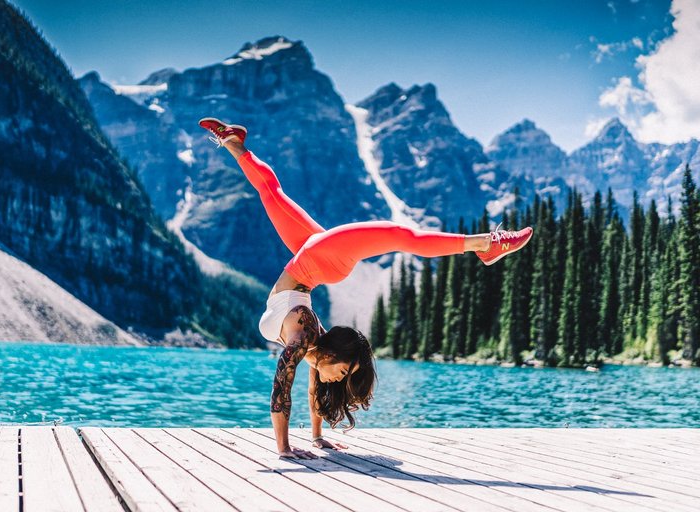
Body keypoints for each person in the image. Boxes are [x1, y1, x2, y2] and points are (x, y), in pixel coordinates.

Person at [198, 118, 533, 459]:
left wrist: (310, 440)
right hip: (319, 261)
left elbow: (289, 385)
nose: (336, 379)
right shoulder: (307, 335)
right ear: (331, 355)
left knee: (272, 193)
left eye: (343, 373)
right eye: (343, 371)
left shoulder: (310, 346)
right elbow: (284, 388)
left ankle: (235, 143)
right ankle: (485, 245)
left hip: (312, 262)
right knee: (398, 234)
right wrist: (285, 448)